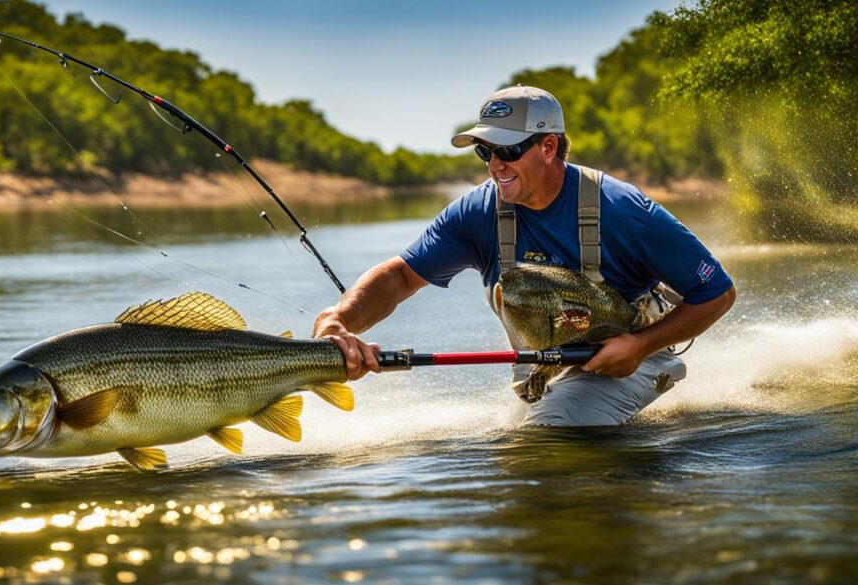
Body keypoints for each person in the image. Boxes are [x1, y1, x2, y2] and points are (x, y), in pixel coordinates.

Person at [313, 85, 736, 426]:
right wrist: (339, 320)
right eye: (485, 152)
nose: (495, 164)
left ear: (549, 147)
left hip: (633, 358)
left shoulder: (623, 210)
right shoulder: (476, 212)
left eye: (507, 150)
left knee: (549, 435)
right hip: (543, 366)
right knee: (526, 438)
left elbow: (717, 292)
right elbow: (401, 276)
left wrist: (641, 346)